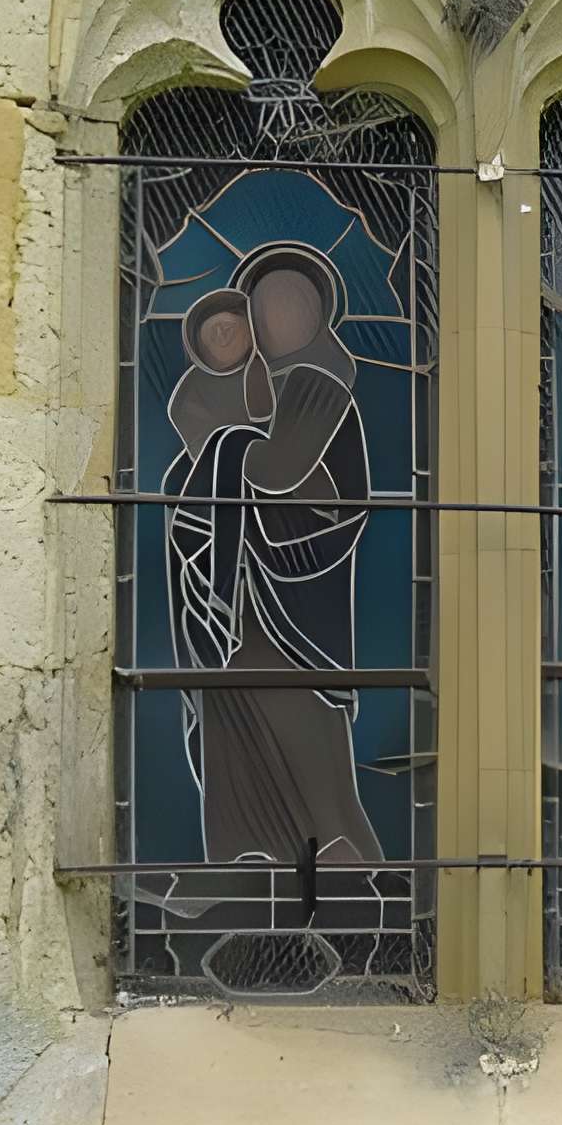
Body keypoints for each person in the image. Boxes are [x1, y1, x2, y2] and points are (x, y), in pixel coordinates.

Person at [164, 248, 385, 947]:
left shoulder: (322, 382)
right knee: (233, 706)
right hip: (238, 589)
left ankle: (341, 859)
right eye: (267, 307)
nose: (278, 318)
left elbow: (279, 470)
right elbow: (200, 471)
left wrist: (224, 448)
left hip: (299, 586)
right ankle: (238, 858)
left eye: (295, 305)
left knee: (305, 717)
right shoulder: (247, 393)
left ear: (320, 314)